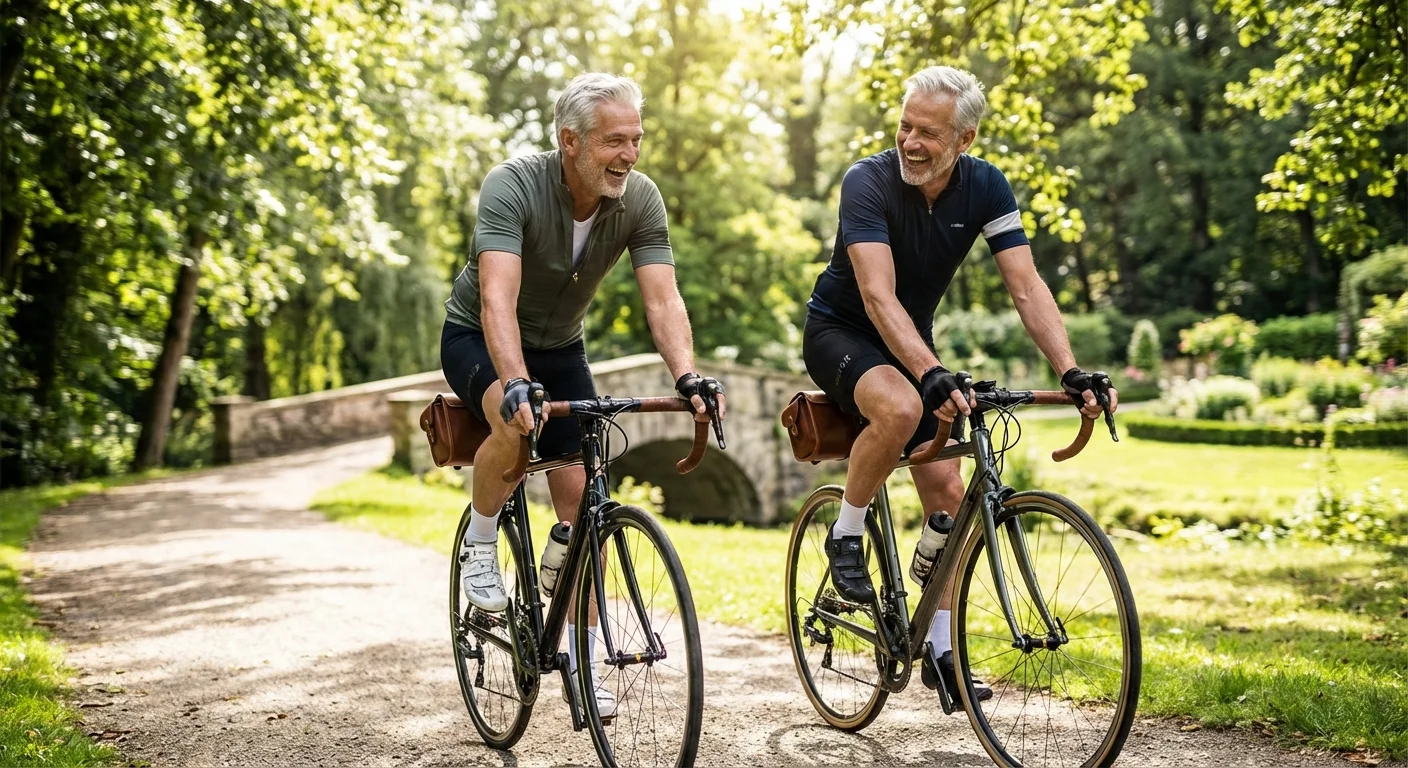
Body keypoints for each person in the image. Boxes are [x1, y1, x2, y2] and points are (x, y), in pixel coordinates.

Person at [803, 65, 1117, 705]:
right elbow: (876, 294)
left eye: (928, 133)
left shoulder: (987, 188)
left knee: (949, 488)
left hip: (911, 343)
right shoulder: (867, 180)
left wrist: (1070, 369)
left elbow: (1026, 287)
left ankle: (942, 651)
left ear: (964, 140)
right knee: (896, 407)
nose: (910, 142)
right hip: (841, 332)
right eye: (905, 126)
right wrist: (929, 374)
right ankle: (847, 531)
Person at [440, 72, 725, 717]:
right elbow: (497, 298)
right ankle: (481, 541)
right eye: (613, 142)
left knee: (585, 507)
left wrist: (687, 375)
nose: (629, 155)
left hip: (562, 349)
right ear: (570, 141)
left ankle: (585, 654)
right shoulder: (511, 187)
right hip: (480, 340)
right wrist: (513, 384)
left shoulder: (640, 199)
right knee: (511, 427)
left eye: (636, 140)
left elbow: (662, 297)